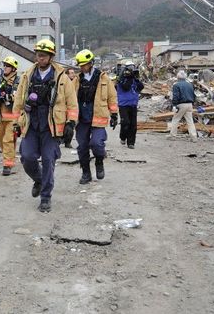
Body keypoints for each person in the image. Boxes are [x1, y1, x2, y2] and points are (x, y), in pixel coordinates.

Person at [12, 39, 78, 212]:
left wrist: (70, 123)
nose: (39, 58)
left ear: (50, 57)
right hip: (31, 123)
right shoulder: (28, 76)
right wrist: (16, 123)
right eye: (38, 55)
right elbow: (18, 102)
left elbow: (72, 104)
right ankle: (39, 179)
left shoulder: (62, 78)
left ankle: (46, 197)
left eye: (43, 56)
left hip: (52, 126)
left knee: (49, 160)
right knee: (27, 157)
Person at [72, 49, 118, 184]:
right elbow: (69, 98)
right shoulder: (76, 80)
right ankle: (86, 173)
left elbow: (112, 97)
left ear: (91, 63)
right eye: (80, 65)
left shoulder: (103, 79)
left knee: (97, 143)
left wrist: (114, 114)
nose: (82, 67)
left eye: (84, 65)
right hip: (81, 119)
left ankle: (99, 161)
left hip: (98, 117)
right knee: (82, 147)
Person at [0, 56, 20, 176]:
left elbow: (19, 96)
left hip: (12, 116)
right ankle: (9, 155)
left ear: (13, 68)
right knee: (0, 139)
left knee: (8, 140)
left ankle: (8, 164)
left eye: (8, 66)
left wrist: (8, 96)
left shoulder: (18, 81)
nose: (5, 67)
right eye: (4, 65)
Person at [115, 65, 144, 149]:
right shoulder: (121, 80)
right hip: (123, 105)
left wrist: (136, 79)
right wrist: (130, 78)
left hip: (133, 104)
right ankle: (123, 137)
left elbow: (141, 87)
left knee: (133, 125)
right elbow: (126, 87)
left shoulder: (134, 80)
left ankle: (131, 143)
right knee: (125, 122)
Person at [169, 70, 197, 142]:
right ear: (185, 77)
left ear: (178, 77)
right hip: (189, 104)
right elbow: (194, 95)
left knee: (176, 119)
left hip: (181, 104)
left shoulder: (176, 85)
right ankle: (194, 137)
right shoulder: (190, 84)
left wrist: (174, 105)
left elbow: (176, 96)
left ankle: (173, 135)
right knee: (190, 121)